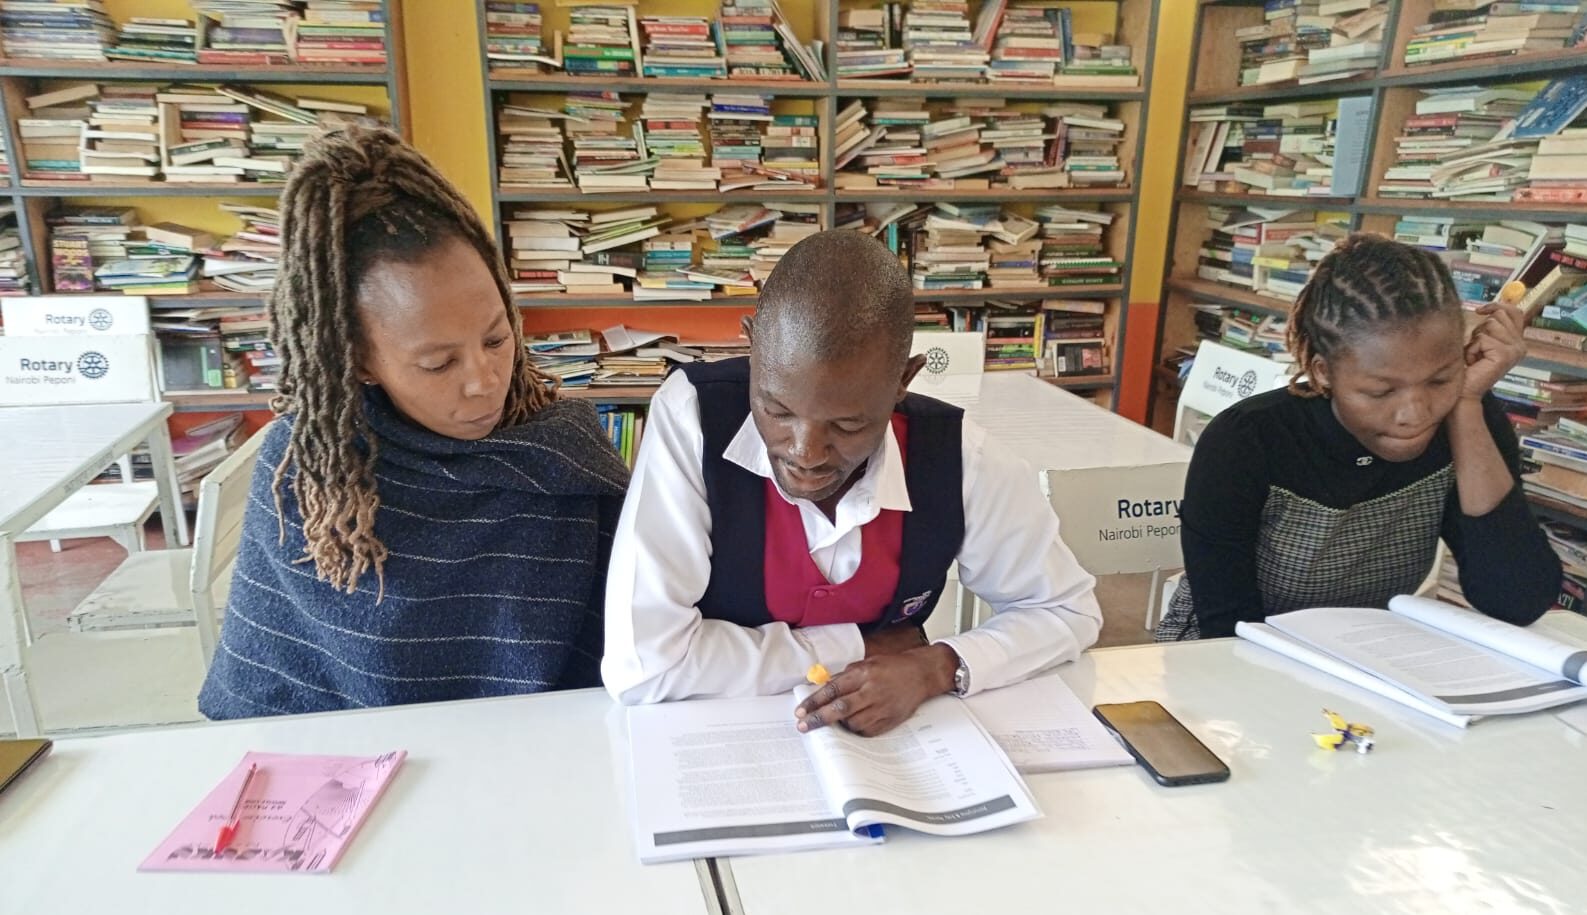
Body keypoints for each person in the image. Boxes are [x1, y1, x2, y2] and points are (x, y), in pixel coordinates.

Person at [199, 126, 629, 719]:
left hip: (554, 759)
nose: (484, 380)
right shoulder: (311, 478)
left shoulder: (564, 456)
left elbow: (636, 657)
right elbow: (277, 703)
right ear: (360, 361)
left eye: (497, 338)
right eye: (437, 362)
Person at [602, 230, 1101, 736]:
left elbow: (1067, 610)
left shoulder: (957, 457)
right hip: (712, 738)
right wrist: (858, 646)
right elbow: (642, 666)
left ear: (903, 382)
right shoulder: (693, 418)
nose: (805, 452)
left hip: (896, 741)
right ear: (752, 348)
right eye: (776, 410)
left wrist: (936, 666)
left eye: (847, 426)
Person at [1157, 234, 1561, 641]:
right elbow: (1227, 628)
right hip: (1230, 655)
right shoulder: (1247, 440)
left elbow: (1517, 600)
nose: (1414, 414)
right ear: (1322, 372)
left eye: (1440, 379)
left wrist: (1469, 403)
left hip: (1363, 653)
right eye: (1381, 391)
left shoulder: (1465, 418)